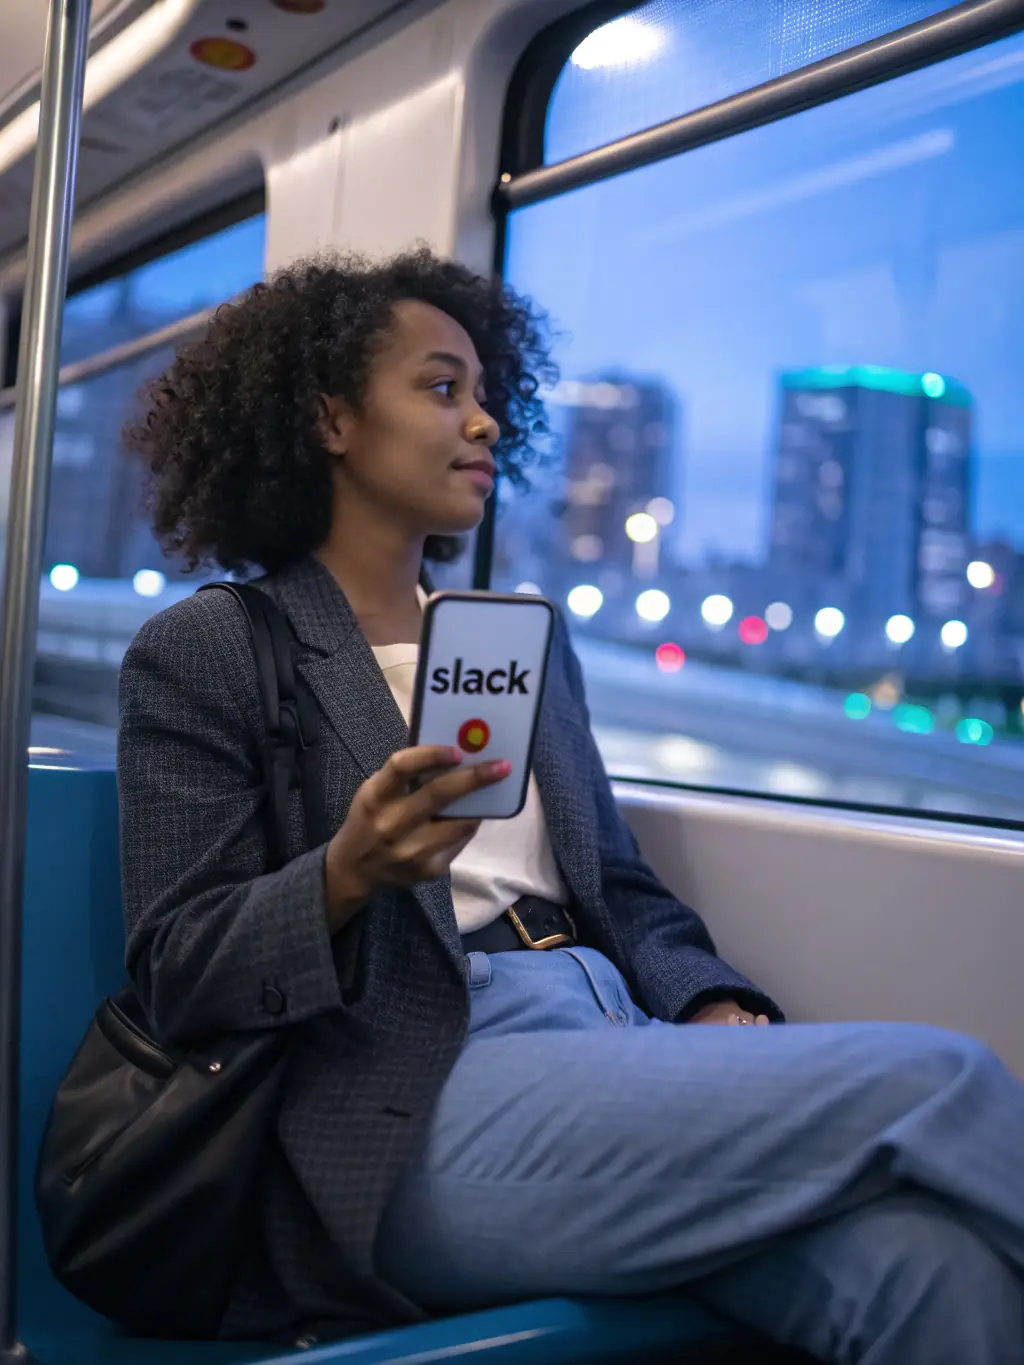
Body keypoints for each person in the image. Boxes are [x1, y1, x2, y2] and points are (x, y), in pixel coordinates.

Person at [118, 247, 1024, 1363]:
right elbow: (178, 969)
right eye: (441, 387)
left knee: (932, 1270)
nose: (485, 421)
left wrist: (708, 1004)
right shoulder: (209, 649)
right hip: (408, 1091)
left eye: (485, 392)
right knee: (940, 1077)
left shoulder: (519, 646)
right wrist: (345, 873)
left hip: (610, 1035)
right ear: (331, 420)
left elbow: (619, 887)